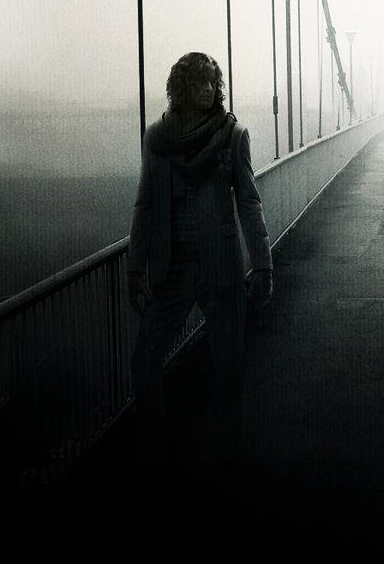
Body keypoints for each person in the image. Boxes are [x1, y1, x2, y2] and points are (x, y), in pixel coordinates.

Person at [126, 51, 273, 469]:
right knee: (144, 360)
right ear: (182, 88)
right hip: (171, 268)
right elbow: (145, 205)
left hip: (221, 267)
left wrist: (261, 264)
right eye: (200, 82)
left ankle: (229, 456)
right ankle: (157, 446)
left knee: (229, 366)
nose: (209, 88)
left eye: (213, 81)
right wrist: (135, 266)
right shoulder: (157, 138)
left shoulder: (232, 136)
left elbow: (249, 201)